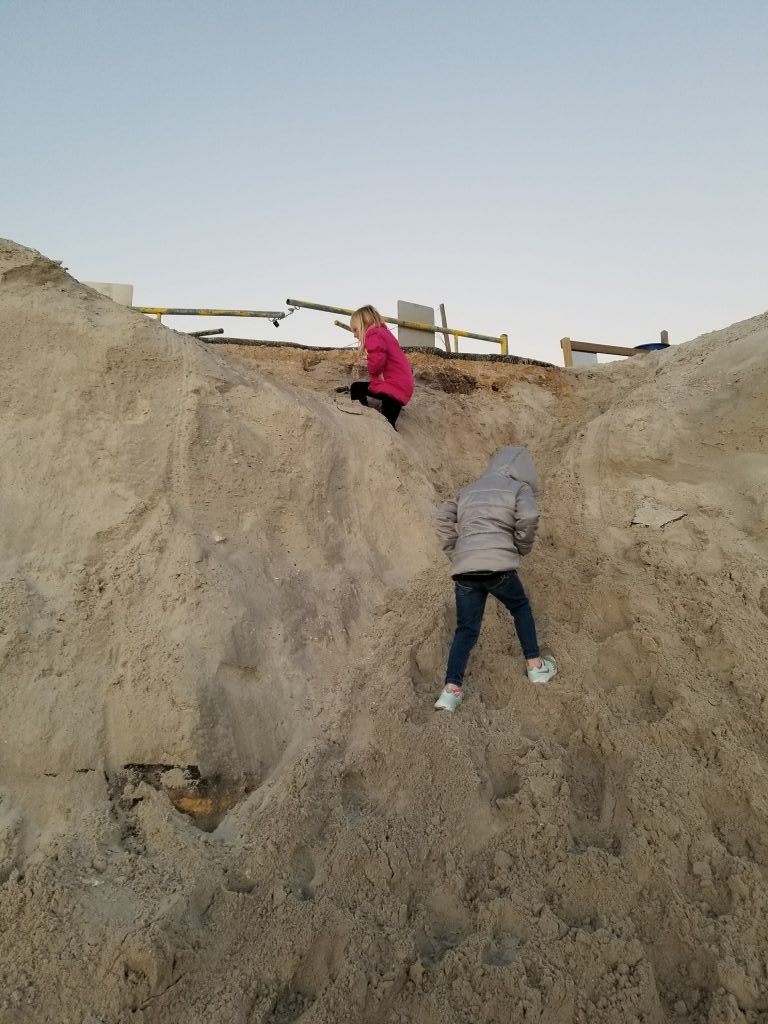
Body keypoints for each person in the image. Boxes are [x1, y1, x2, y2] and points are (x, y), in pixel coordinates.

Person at [434, 446, 557, 711]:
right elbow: (530, 515)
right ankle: (535, 666)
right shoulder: (518, 489)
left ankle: (450, 691)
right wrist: (520, 546)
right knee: (520, 607)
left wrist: (456, 552)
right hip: (499, 569)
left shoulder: (468, 490)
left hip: (465, 571)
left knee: (465, 629)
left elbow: (442, 517)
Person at [348, 305, 414, 429]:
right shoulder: (385, 333)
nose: (355, 335)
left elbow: (377, 363)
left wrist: (371, 368)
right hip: (402, 386)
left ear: (364, 324)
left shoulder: (373, 335)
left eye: (355, 330)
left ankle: (362, 416)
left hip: (392, 386)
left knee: (356, 388)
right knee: (389, 424)